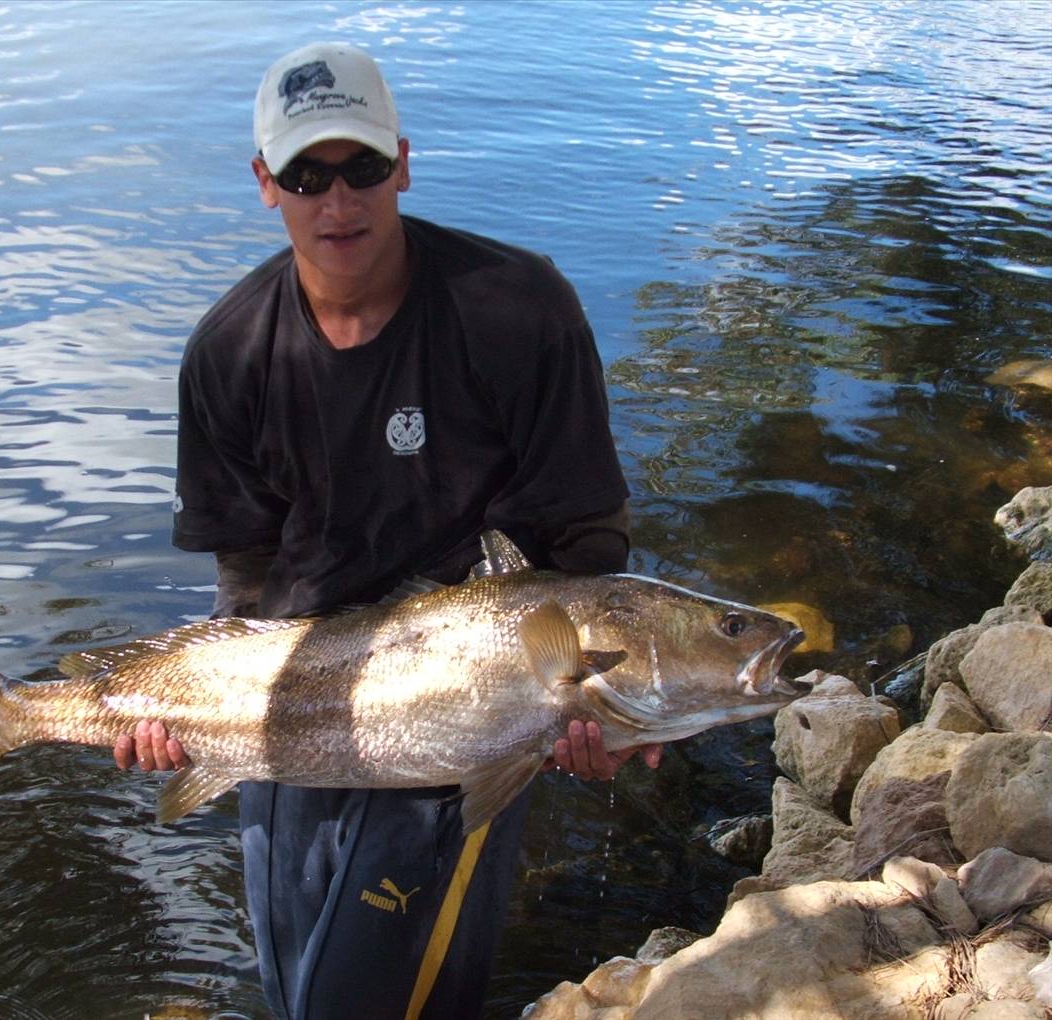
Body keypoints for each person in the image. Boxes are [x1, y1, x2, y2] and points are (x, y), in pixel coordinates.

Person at [115, 41, 660, 1020]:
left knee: (366, 1004)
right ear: (264, 183)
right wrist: (186, 713)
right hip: (288, 698)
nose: (338, 201)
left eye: (361, 166)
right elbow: (244, 574)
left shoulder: (517, 311)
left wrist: (589, 708)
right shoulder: (227, 353)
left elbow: (587, 540)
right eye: (305, 174)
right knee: (296, 990)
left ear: (402, 162)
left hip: (469, 701)